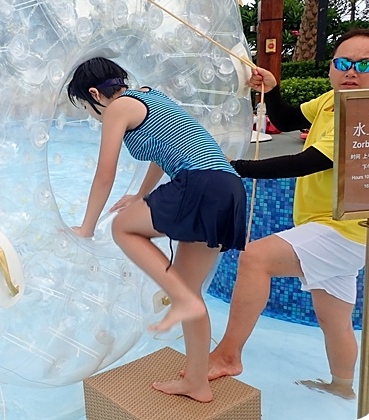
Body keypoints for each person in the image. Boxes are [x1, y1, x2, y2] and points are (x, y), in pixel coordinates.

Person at [204, 28, 369, 400]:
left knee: (255, 259)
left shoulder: (368, 116)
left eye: (365, 64)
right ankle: (342, 388)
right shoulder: (333, 101)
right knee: (335, 321)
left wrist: (233, 165)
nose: (352, 71)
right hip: (332, 229)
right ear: (332, 68)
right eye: (343, 63)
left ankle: (228, 355)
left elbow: (306, 163)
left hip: (344, 231)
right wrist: (272, 88)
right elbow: (285, 120)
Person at [67, 57, 247, 402]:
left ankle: (179, 299)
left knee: (123, 227)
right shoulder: (151, 96)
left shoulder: (118, 107)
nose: (94, 115)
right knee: (191, 293)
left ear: (94, 93)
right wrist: (141, 194)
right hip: (227, 186)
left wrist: (86, 228)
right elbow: (162, 150)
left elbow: (105, 173)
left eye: (89, 107)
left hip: (200, 183)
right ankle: (197, 383)